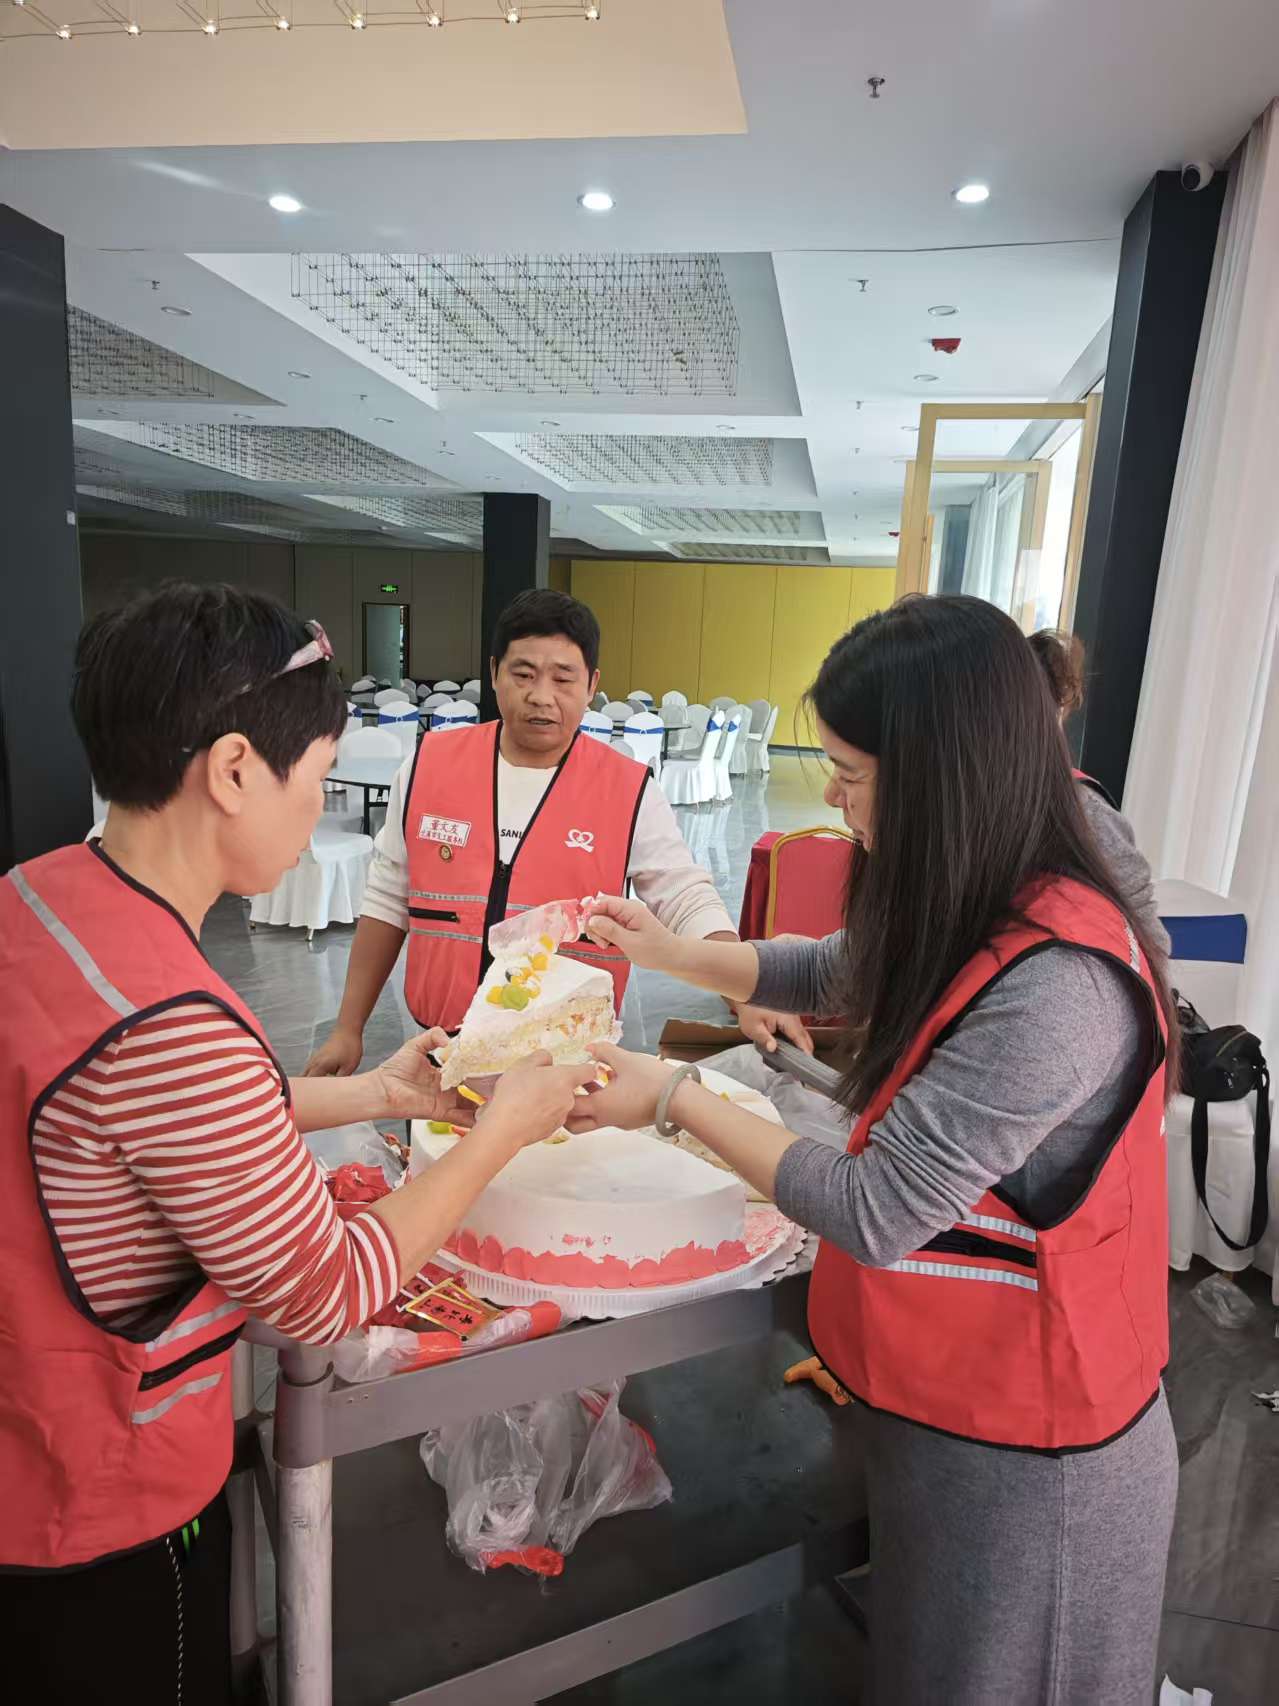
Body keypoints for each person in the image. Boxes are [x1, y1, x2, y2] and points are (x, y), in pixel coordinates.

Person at [570, 596, 1181, 1706]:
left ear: (942, 775)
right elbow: (836, 968)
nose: (832, 796)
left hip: (1036, 1449)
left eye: (850, 774)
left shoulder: (1061, 982)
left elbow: (878, 1205)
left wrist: (674, 1097)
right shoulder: (981, 889)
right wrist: (671, 951)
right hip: (951, 1403)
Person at [0, 583, 595, 1705]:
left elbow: (161, 1121)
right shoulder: (173, 1019)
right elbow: (324, 1291)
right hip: (91, 1505)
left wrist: (377, 1088)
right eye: (317, 776)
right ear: (233, 770)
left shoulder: (44, 897)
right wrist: (503, 1131)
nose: (321, 801)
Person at [304, 587, 746, 1074]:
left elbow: (684, 895)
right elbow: (387, 898)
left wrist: (747, 989)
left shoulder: (628, 789)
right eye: (523, 674)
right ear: (494, 672)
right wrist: (348, 1029)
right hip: (441, 1052)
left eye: (563, 678)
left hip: (563, 1067)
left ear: (591, 684)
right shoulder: (428, 766)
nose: (541, 697)